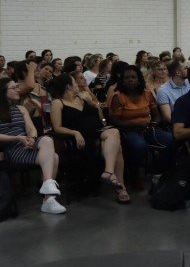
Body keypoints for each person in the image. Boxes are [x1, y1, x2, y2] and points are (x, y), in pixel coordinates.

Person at [49, 74, 130, 204]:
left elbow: (99, 113)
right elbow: (57, 127)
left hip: (98, 132)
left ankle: (109, 172)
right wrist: (75, 132)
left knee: (114, 131)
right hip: (80, 139)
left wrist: (91, 101)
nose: (77, 84)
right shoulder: (58, 103)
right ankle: (120, 188)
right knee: (118, 148)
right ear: (68, 86)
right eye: (74, 82)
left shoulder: (83, 97)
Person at [0, 78, 65, 214]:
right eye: (14, 87)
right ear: (3, 92)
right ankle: (48, 200)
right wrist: (18, 137)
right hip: (11, 149)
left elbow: (31, 128)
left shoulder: (21, 108)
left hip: (28, 144)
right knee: (55, 157)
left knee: (47, 140)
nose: (18, 89)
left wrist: (32, 138)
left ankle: (47, 186)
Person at [109, 66, 174, 188]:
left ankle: (159, 170)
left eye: (133, 77)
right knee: (140, 146)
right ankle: (134, 173)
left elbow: (157, 115)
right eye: (127, 78)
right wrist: (136, 124)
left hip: (148, 128)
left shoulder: (147, 94)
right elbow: (115, 121)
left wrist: (153, 124)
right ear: (122, 80)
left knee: (170, 139)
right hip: (128, 130)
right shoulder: (118, 97)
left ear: (139, 79)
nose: (130, 80)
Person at [155, 59, 190, 124]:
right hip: (178, 125)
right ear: (178, 73)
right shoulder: (163, 91)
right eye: (186, 68)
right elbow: (168, 117)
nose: (189, 70)